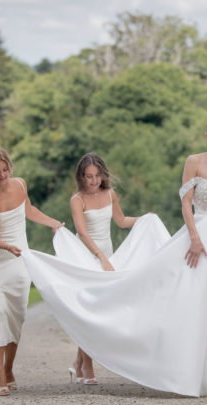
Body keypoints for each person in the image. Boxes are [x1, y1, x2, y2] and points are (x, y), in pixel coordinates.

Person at [22, 115, 207, 397]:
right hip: (201, 234)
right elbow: (186, 203)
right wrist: (194, 237)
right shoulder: (193, 162)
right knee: (191, 300)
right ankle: (186, 370)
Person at [0, 145, 63, 396]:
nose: (2, 175)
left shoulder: (20, 184)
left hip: (19, 263)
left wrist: (53, 223)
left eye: (5, 169)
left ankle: (9, 368)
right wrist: (7, 247)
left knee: (16, 318)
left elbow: (29, 210)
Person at [68, 153, 142, 385]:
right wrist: (100, 257)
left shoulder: (110, 194)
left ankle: (79, 362)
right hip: (86, 257)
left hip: (106, 255)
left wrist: (143, 219)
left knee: (100, 309)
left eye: (97, 176)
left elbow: (121, 221)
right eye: (89, 176)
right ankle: (87, 364)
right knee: (89, 310)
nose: (93, 181)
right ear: (81, 177)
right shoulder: (77, 200)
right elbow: (82, 232)